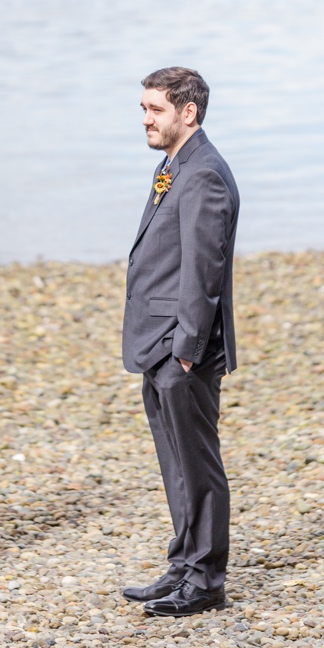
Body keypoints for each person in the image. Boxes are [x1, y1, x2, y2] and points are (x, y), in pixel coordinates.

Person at [120, 66, 239, 617]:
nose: (145, 118)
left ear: (187, 113)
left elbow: (203, 268)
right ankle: (183, 562)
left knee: (197, 463)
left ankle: (205, 580)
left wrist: (187, 348)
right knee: (174, 461)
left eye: (155, 109)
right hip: (157, 341)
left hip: (181, 348)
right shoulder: (173, 167)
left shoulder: (204, 175)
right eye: (144, 108)